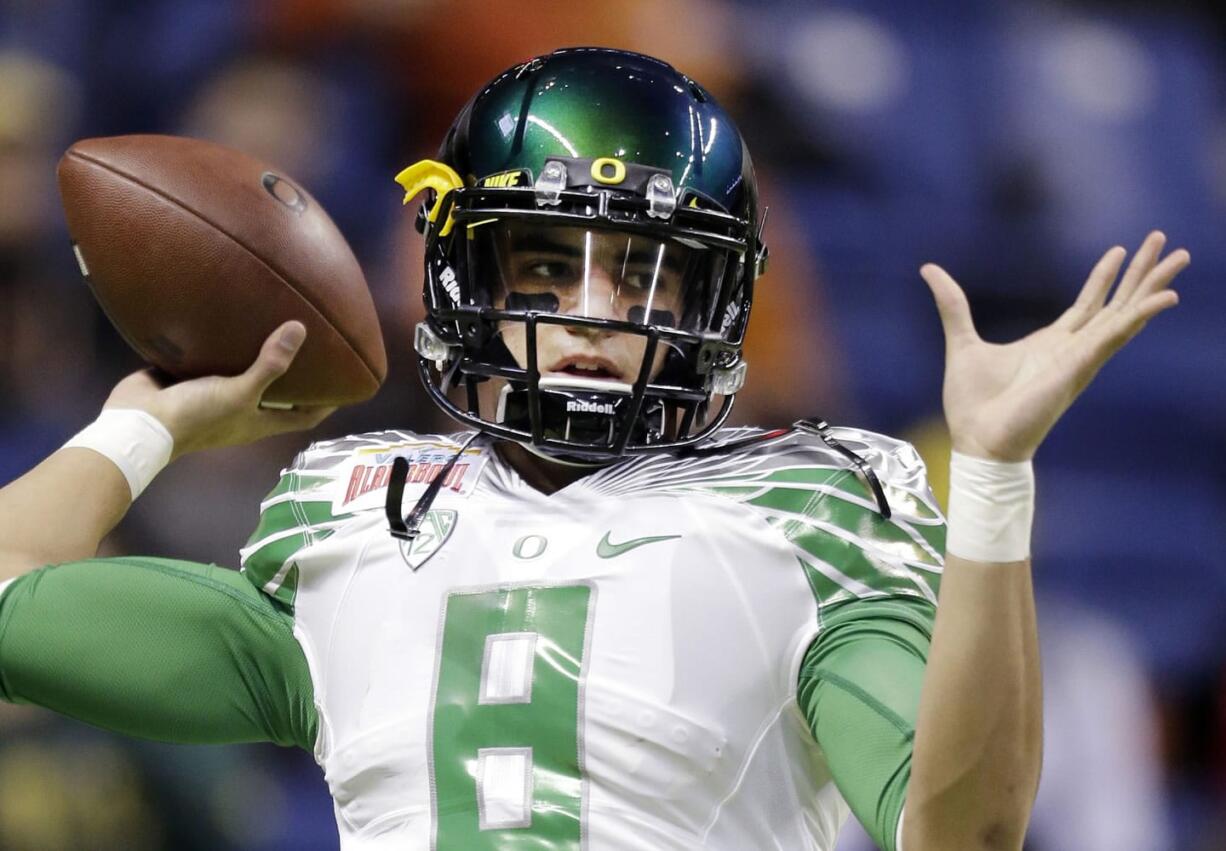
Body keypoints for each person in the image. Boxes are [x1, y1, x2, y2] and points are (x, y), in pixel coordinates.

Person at [0, 48, 1187, 850]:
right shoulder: (354, 512)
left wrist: (987, 477)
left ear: (718, 302)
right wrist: (147, 421)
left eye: (646, 273)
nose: (592, 311)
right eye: (542, 266)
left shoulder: (809, 509)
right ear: (466, 276)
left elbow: (959, 827)